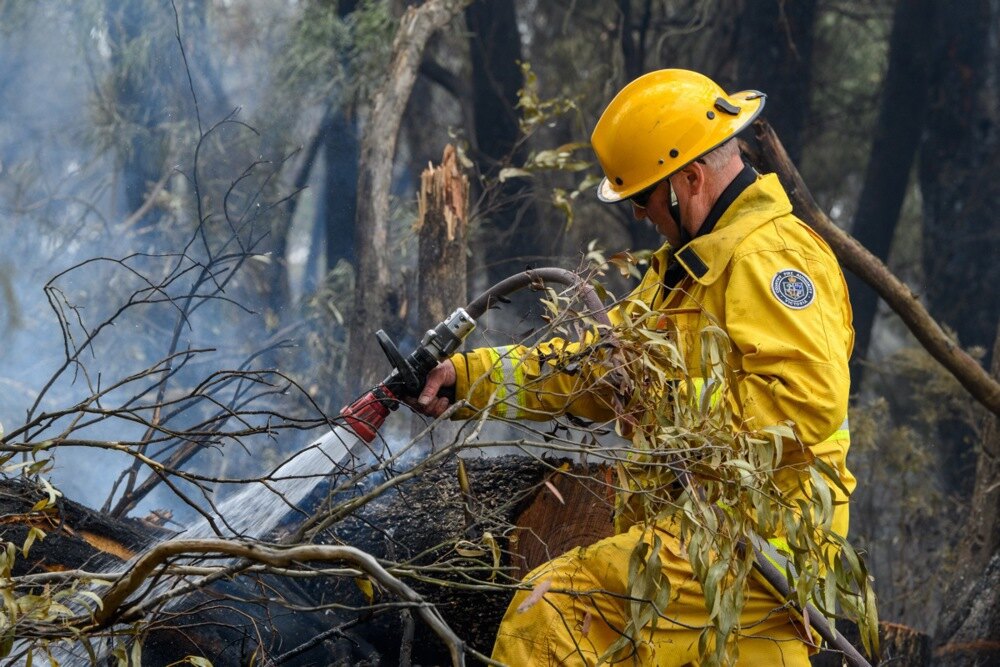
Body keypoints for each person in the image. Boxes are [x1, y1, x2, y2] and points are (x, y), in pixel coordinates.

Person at [416, 69, 855, 666]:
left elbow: (802, 405)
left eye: (644, 197)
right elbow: (603, 369)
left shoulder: (771, 256)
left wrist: (674, 406)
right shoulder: (687, 267)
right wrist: (469, 378)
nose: (641, 216)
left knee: (551, 615)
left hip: (759, 544)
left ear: (690, 178)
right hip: (706, 534)